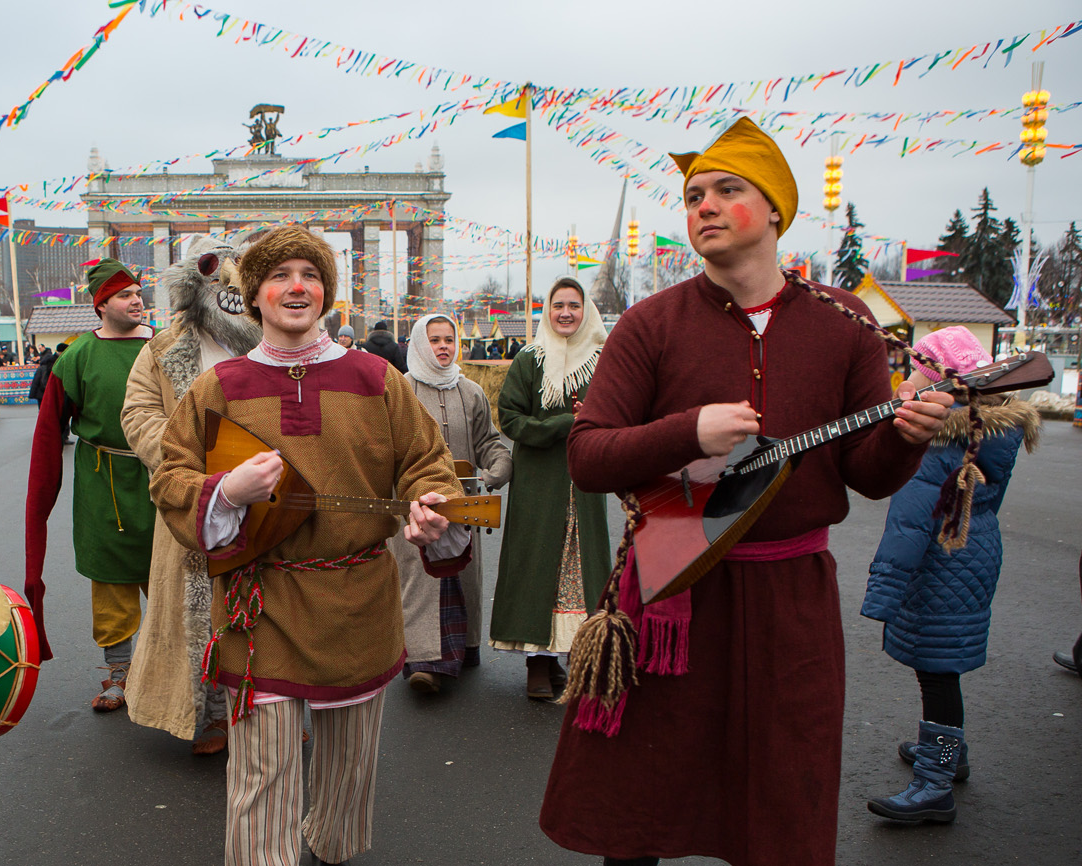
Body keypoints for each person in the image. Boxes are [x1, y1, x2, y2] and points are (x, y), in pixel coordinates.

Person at [538, 118, 952, 866]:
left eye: (728, 190)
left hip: (790, 602)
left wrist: (905, 438)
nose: (703, 205)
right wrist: (687, 432)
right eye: (694, 194)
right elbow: (589, 456)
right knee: (639, 803)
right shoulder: (648, 323)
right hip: (669, 594)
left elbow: (866, 474)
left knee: (781, 801)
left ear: (774, 210)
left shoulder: (845, 325)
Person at [149, 224, 471, 866]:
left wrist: (433, 504)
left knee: (348, 770)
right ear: (256, 296)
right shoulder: (219, 387)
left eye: (311, 276)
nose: (297, 287)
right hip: (259, 602)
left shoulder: (379, 378)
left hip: (356, 600)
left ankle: (332, 847)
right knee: (261, 778)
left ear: (326, 294)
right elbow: (171, 476)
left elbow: (427, 464)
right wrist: (225, 491)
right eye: (280, 276)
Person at [862, 327, 1041, 823]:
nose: (905, 384)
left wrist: (882, 593)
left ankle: (936, 782)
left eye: (915, 375)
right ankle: (950, 753)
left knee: (937, 672)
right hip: (975, 552)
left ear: (937, 387)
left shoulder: (938, 445)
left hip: (940, 563)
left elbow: (909, 522)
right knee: (943, 668)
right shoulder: (989, 431)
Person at [120, 237, 260, 754]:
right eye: (212, 267)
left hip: (268, 496)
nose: (225, 279)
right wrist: (187, 460)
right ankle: (215, 714)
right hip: (194, 498)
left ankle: (274, 704)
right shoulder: (162, 347)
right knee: (200, 609)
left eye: (238, 268)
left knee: (269, 605)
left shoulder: (277, 339)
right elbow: (138, 414)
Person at [25, 258, 155, 711]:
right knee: (111, 582)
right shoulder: (78, 355)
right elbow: (47, 433)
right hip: (104, 484)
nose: (136, 300)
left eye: (138, 292)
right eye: (124, 294)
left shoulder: (165, 347)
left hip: (163, 477)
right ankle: (119, 675)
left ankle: (180, 673)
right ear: (101, 305)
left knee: (174, 582)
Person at [491, 277, 609, 700]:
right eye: (558, 305)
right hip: (539, 481)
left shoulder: (602, 359)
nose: (565, 313)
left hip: (585, 483)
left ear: (585, 310)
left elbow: (617, 413)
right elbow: (511, 418)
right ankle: (539, 664)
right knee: (537, 563)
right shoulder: (530, 359)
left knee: (579, 570)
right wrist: (564, 424)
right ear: (547, 310)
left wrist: (595, 420)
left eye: (573, 306)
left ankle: (578, 658)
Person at [393, 313, 512, 693]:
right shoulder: (401, 390)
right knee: (420, 580)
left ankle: (461, 652)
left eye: (448, 339)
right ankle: (422, 662)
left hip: (462, 505)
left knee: (461, 576)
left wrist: (498, 466)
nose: (443, 346)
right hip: (416, 506)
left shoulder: (471, 392)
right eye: (434, 340)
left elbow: (489, 442)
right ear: (418, 344)